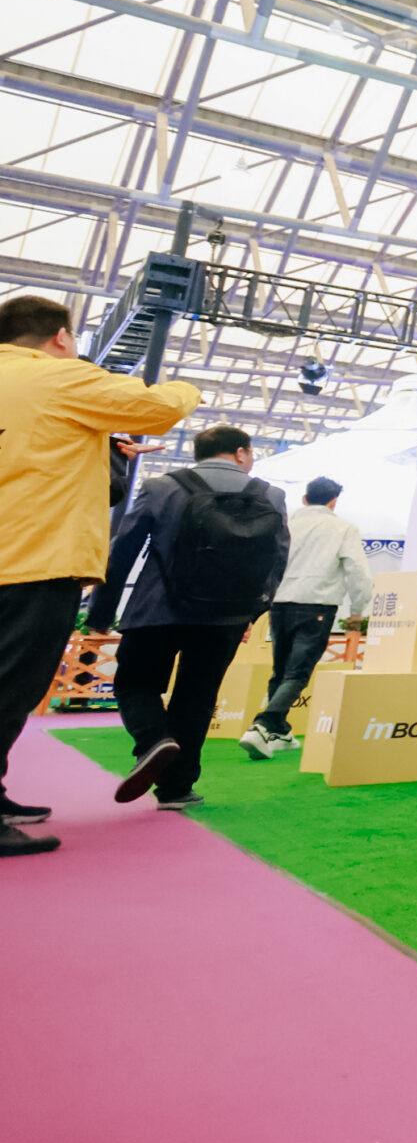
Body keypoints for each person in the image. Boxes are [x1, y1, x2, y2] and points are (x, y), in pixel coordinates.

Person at [0, 295, 201, 858]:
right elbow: (158, 407)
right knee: (11, 687)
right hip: (33, 560)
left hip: (16, 553)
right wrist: (189, 387)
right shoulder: (58, 377)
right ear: (61, 337)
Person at [98, 425, 289, 807]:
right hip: (225, 617)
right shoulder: (271, 495)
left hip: (157, 608)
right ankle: (177, 788)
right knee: (198, 696)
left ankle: (154, 740)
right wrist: (251, 612)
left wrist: (102, 611)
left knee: (136, 683)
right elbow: (278, 558)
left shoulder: (162, 487)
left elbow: (123, 550)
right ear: (240, 452)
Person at [242, 476, 372, 759]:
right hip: (317, 606)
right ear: (333, 502)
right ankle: (263, 724)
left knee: (281, 670)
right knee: (298, 672)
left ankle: (279, 732)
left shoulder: (286, 525)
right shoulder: (343, 528)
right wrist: (357, 612)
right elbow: (358, 571)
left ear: (304, 498)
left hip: (279, 604)